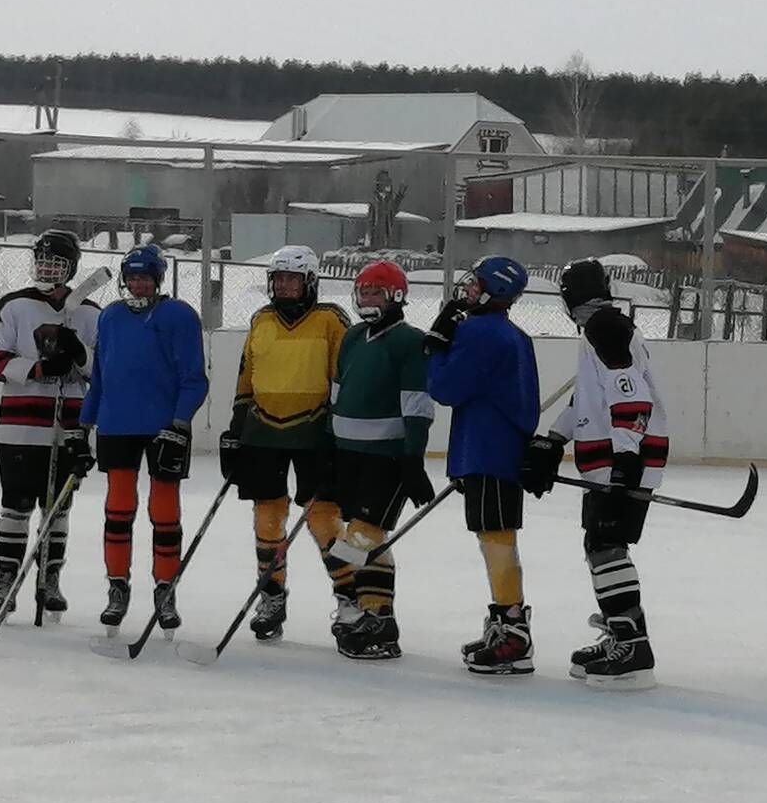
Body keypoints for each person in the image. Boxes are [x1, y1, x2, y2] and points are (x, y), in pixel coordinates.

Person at [520, 258, 669, 689]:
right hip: (616, 456)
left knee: (605, 544)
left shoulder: (604, 328)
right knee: (602, 543)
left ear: (568, 299)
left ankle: (632, 646)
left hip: (623, 458)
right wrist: (552, 441)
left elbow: (632, 398)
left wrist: (626, 458)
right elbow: (590, 400)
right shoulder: (604, 328)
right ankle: (621, 635)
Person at [71, 245, 208, 632]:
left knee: (164, 512)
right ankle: (118, 587)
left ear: (158, 279)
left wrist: (180, 422)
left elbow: (194, 378)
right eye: (132, 277)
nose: (138, 283)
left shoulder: (178, 316)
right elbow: (100, 377)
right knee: (118, 508)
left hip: (165, 427)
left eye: (145, 277)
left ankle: (165, 589)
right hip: (117, 424)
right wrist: (84, 426)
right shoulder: (111, 317)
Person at [222, 246, 351, 642]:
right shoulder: (261, 319)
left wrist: (338, 429)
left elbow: (344, 377)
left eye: (292, 280)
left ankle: (349, 596)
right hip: (263, 430)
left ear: (310, 282)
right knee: (267, 515)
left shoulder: (331, 320)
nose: (284, 286)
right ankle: (272, 594)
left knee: (323, 516)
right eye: (278, 279)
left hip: (315, 431)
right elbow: (248, 374)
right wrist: (236, 425)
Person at [425, 255, 541, 674]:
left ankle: (513, 631)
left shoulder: (480, 333)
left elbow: (445, 388)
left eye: (476, 285)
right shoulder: (513, 335)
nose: (468, 291)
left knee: (495, 537)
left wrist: (436, 348)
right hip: (500, 449)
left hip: (486, 450)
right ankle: (505, 622)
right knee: (496, 535)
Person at [0, 229, 99, 614]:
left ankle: (49, 579)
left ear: (71, 268)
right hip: (18, 427)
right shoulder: (13, 306)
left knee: (57, 509)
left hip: (67, 426)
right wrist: (38, 367)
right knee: (15, 506)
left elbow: (102, 373)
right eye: (43, 260)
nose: (47, 268)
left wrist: (78, 355)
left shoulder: (90, 314)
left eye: (56, 262)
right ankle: (6, 578)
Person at [327, 259, 435, 660]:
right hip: (348, 454)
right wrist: (328, 448)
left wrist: (413, 458)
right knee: (362, 539)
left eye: (377, 292)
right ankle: (372, 615)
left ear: (396, 297)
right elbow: (337, 396)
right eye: (364, 292)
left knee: (361, 538)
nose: (369, 299)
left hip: (386, 458)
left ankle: (377, 617)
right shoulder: (354, 337)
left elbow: (417, 406)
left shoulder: (409, 342)